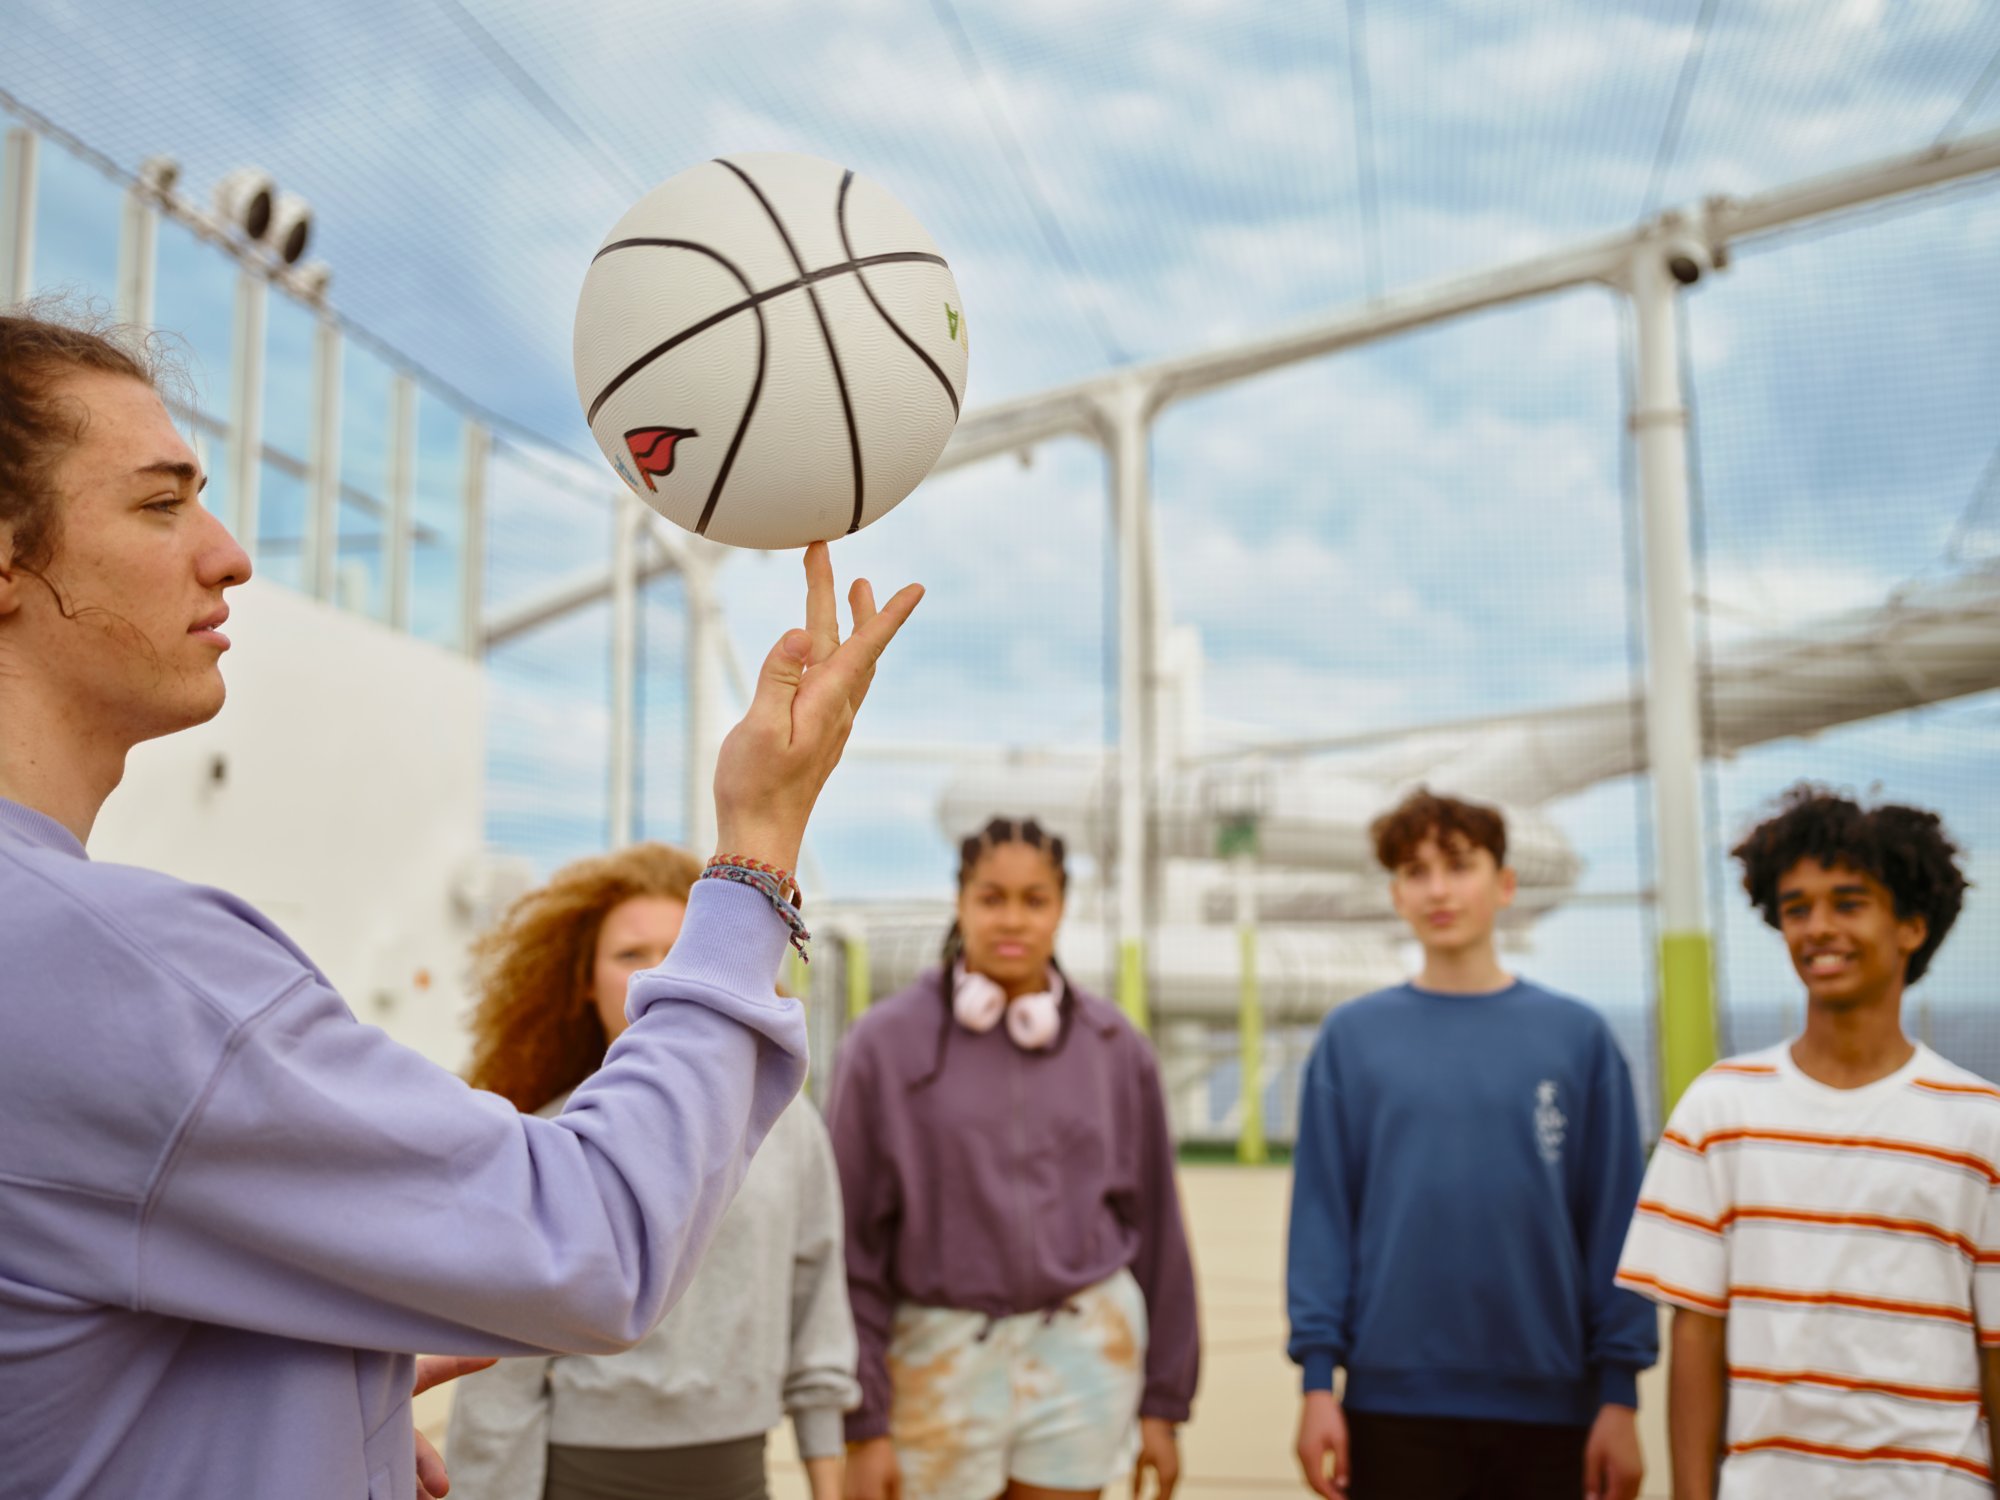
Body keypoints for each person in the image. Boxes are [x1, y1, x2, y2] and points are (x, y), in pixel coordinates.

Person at [0, 307, 920, 1500]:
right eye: (161, 502)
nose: (229, 552)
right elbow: (593, 1243)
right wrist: (755, 852)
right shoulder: (111, 968)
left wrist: (320, 1394)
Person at [445, 842, 860, 1500]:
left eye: (678, 951)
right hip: (579, 1472)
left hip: (738, 1471)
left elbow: (816, 1300)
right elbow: (501, 1379)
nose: (655, 975)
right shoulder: (545, 1136)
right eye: (629, 955)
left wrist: (826, 1476)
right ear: (581, 980)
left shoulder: (788, 1126)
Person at [1617, 785, 1995, 1499]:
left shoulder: (1981, 1123)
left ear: (1912, 924)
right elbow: (1695, 1337)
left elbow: (1997, 1349)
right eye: (1797, 908)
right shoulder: (1719, 1110)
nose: (1818, 927)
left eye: (1848, 903)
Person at [1288, 787, 1655, 1500]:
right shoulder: (1351, 1040)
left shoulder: (1576, 1039)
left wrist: (1620, 1393)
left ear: (1505, 884)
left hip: (1553, 1406)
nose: (1438, 889)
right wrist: (1316, 1382)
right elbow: (1323, 1219)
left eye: (1458, 865)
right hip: (1389, 1404)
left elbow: (1614, 1222)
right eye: (1415, 872)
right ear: (1395, 894)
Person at [828, 816, 1199, 1500]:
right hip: (935, 1361)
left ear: (1062, 907)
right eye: (992, 897)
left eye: (1036, 900)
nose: (1014, 920)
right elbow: (849, 1247)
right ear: (960, 901)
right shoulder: (883, 1045)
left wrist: (1164, 1404)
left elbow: (1161, 1233)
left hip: (1084, 1358)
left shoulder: (1116, 1047)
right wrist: (864, 1421)